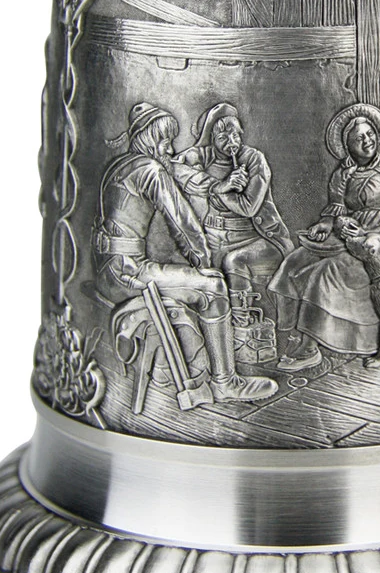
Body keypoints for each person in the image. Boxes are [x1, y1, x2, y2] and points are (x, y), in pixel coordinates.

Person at [93, 102, 277, 404]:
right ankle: (225, 382)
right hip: (129, 272)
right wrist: (202, 262)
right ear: (151, 138)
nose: (169, 149)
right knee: (214, 287)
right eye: (165, 140)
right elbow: (183, 223)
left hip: (105, 271)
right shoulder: (151, 170)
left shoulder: (118, 166)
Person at [269, 103, 380, 371]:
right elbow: (336, 209)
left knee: (325, 273)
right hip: (346, 235)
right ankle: (289, 334)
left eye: (370, 134)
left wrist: (374, 235)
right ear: (347, 146)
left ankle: (309, 347)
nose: (367, 140)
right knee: (293, 262)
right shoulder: (342, 174)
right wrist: (325, 224)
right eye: (359, 138)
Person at [173, 103, 293, 307]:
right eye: (223, 137)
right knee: (191, 267)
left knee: (234, 262)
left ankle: (242, 319)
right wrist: (219, 186)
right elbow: (173, 167)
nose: (232, 142)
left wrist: (222, 192)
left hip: (257, 239)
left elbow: (248, 207)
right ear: (211, 139)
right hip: (214, 238)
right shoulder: (204, 156)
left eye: (236, 135)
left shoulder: (254, 159)